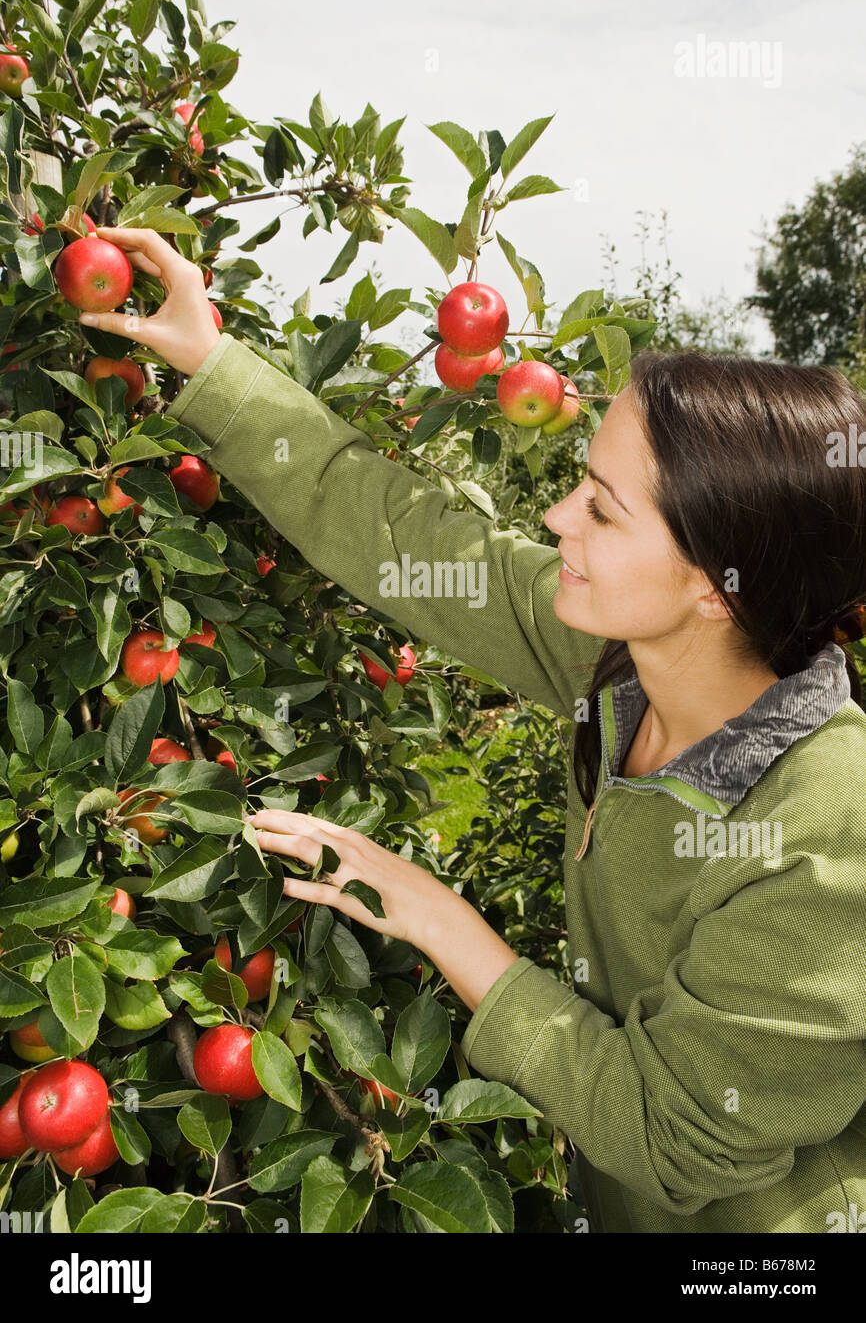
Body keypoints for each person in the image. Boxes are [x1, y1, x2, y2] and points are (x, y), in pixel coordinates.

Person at [79, 227, 866, 1234]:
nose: (552, 517)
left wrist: (436, 916)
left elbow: (673, 1139)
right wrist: (210, 360)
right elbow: (407, 535)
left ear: (715, 587)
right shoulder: (623, 659)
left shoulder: (829, 825)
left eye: (603, 510)